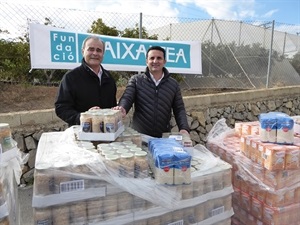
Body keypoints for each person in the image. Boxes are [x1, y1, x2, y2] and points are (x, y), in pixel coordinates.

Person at [114, 45, 190, 138]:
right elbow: (127, 97)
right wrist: (123, 107)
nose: (155, 61)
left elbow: (179, 109)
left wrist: (184, 128)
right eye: (152, 58)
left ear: (164, 61)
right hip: (140, 136)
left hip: (163, 137)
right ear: (147, 61)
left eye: (159, 58)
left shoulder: (173, 84)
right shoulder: (136, 80)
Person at [55, 35, 117, 126]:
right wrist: (84, 118)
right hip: (81, 133)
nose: (95, 53)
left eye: (99, 50)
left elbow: (112, 106)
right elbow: (61, 108)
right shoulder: (71, 77)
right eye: (91, 49)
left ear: (103, 54)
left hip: (107, 133)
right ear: (83, 51)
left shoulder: (109, 78)